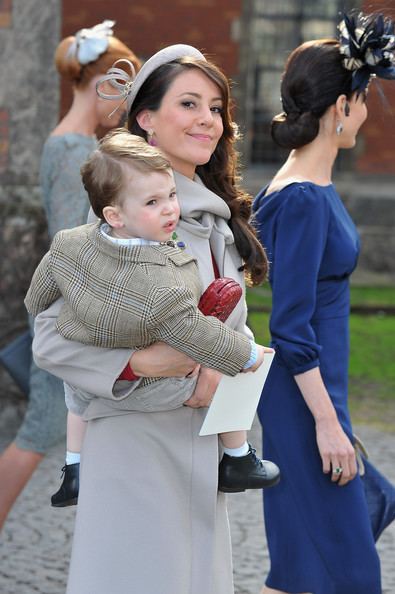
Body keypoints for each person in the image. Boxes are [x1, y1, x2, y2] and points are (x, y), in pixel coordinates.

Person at [31, 43, 271, 594]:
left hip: (205, 440)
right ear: (147, 120)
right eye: (188, 103)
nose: (207, 119)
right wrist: (140, 362)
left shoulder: (214, 212)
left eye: (215, 107)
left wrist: (230, 363)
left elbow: (228, 323)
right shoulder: (124, 211)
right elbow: (50, 335)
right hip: (135, 438)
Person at [25, 129, 280, 505]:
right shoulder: (160, 282)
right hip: (157, 392)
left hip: (87, 364)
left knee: (74, 395)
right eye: (153, 202)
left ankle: (74, 466)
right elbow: (191, 330)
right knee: (235, 364)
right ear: (114, 215)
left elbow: (39, 294)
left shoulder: (70, 241)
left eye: (172, 196)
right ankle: (238, 456)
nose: (169, 209)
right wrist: (246, 355)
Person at [253, 11, 395, 594]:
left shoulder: (294, 185)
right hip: (304, 397)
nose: (365, 112)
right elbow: (288, 326)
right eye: (363, 100)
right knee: (347, 571)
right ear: (342, 106)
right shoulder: (304, 197)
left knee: (325, 550)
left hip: (314, 392)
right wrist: (328, 424)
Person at [0, 20, 140, 531]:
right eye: (122, 88)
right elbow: (69, 237)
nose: (125, 104)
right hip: (65, 316)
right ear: (100, 80)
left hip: (69, 312)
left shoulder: (77, 144)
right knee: (36, 436)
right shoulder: (71, 150)